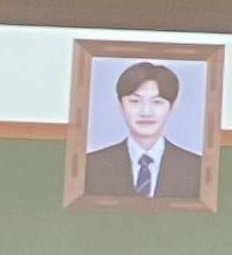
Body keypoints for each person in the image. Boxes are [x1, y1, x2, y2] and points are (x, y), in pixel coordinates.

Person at [84, 61, 205, 203]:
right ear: (121, 106)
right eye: (134, 101)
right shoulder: (91, 165)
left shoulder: (197, 168)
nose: (146, 112)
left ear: (171, 108)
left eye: (157, 102)